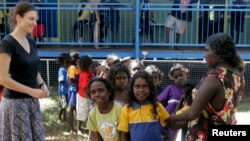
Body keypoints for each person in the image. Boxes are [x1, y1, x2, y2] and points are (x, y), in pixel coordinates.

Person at [169, 33, 245, 141]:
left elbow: (192, 114)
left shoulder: (214, 78)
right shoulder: (238, 76)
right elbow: (210, 113)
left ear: (218, 53)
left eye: (207, 50)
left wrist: (171, 119)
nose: (204, 55)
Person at [0, 2, 49, 140]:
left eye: (36, 19)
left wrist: (41, 83)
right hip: (15, 104)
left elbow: (32, 66)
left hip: (32, 101)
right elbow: (2, 78)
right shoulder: (7, 43)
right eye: (31, 19)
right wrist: (31, 91)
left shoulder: (31, 41)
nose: (35, 23)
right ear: (19, 18)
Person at [118, 70, 170, 141]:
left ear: (150, 88)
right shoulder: (127, 109)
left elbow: (169, 123)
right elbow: (123, 135)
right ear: (132, 88)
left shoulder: (156, 106)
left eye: (145, 86)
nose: (141, 90)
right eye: (137, 86)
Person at [157, 63, 189, 141]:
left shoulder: (190, 89)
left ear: (186, 74)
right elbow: (158, 102)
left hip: (183, 122)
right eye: (176, 77)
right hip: (169, 122)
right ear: (173, 79)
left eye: (181, 75)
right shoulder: (170, 88)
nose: (179, 78)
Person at [76, 55, 93, 135]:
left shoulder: (87, 73)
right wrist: (90, 96)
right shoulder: (85, 75)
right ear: (87, 65)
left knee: (88, 112)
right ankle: (78, 128)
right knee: (82, 112)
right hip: (83, 97)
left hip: (86, 96)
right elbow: (85, 88)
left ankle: (87, 127)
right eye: (90, 64)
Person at [67, 51, 80, 134]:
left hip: (77, 89)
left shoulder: (77, 67)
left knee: (76, 109)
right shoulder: (72, 67)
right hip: (73, 90)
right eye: (77, 57)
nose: (79, 59)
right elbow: (71, 80)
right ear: (74, 59)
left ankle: (77, 127)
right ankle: (71, 128)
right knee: (72, 109)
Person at [56, 53, 70, 125]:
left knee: (65, 105)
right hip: (62, 91)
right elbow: (61, 81)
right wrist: (69, 83)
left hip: (66, 91)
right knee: (63, 105)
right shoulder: (62, 70)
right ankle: (59, 118)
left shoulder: (65, 69)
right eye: (68, 60)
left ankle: (65, 118)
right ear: (64, 61)